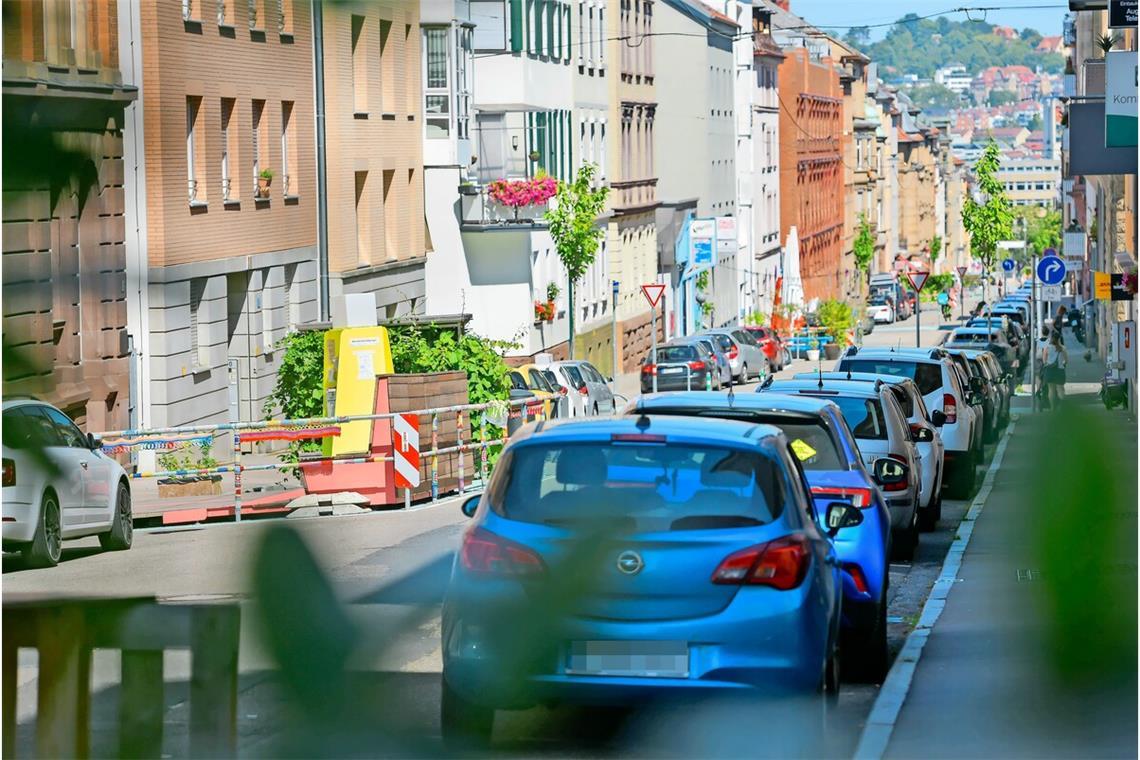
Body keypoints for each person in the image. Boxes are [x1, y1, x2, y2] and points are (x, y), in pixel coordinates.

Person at [1041, 330, 1068, 409]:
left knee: (1051, 390)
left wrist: (1048, 363)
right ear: (1059, 339)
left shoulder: (1047, 348)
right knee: (1060, 390)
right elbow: (1066, 361)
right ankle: (1062, 407)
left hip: (1049, 371)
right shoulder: (1063, 348)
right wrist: (1063, 364)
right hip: (1059, 371)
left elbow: (1044, 360)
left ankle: (1052, 408)